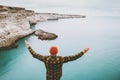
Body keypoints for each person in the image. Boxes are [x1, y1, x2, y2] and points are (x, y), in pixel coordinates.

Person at [25, 40, 89, 80]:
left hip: (49, 78)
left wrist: (28, 46)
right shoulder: (61, 59)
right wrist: (83, 51)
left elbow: (34, 55)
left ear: (49, 52)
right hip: (57, 77)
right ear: (57, 52)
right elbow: (73, 57)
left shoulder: (45, 58)